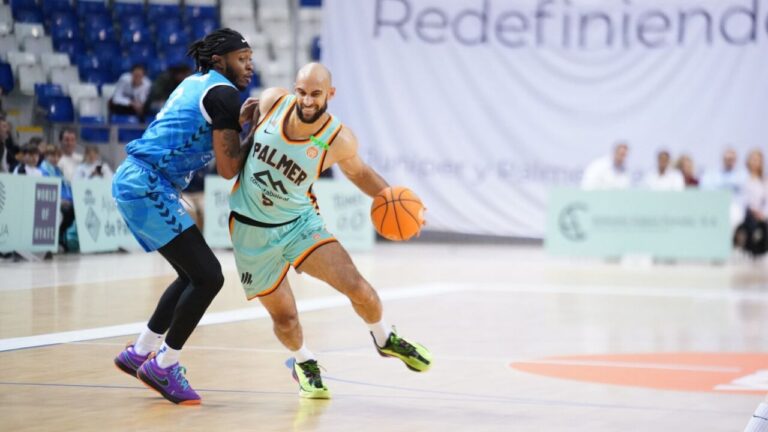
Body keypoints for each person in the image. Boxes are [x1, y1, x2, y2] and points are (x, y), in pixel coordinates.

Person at [229, 63, 432, 400]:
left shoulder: (338, 139)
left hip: (298, 223)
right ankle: (303, 361)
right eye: (302, 92)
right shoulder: (271, 102)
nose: (307, 101)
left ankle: (384, 339)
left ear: (330, 94)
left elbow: (360, 174)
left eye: (316, 94)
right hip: (251, 232)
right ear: (294, 88)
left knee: (359, 288)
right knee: (286, 319)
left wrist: (394, 200)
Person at [112, 28, 255, 405]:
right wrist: (257, 132)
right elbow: (229, 169)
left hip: (140, 179)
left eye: (251, 58)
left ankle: (140, 351)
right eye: (242, 59)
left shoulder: (200, 83)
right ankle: (163, 364)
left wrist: (241, 124)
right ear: (219, 60)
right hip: (148, 184)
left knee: (193, 274)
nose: (250, 65)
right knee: (208, 277)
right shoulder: (223, 93)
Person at [40, 145, 75, 252]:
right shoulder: (43, 170)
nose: (55, 159)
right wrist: (60, 200)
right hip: (50, 202)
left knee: (74, 210)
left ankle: (60, 238)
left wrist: (71, 199)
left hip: (65, 201)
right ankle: (56, 239)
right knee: (67, 211)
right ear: (46, 156)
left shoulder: (58, 171)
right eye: (52, 156)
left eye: (57, 156)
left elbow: (67, 188)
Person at [733, 149, 767, 258]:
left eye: (757, 160)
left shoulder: (764, 181)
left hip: (761, 215)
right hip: (745, 214)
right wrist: (752, 210)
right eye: (752, 159)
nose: (754, 162)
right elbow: (740, 199)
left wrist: (763, 214)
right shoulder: (742, 179)